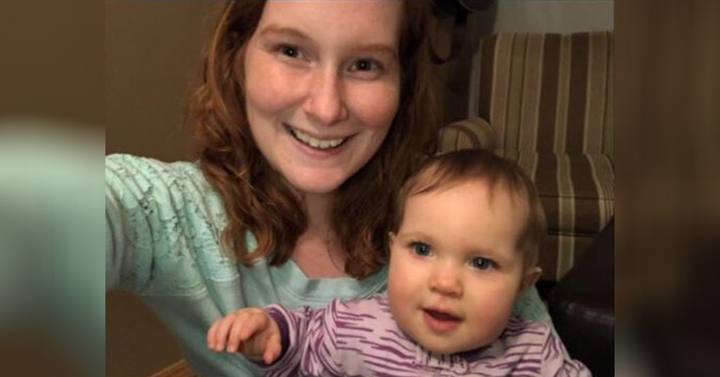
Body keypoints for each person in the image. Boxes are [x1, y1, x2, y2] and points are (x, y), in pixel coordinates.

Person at [106, 1, 556, 375]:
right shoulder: (167, 209)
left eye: (365, 64)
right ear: (236, 57)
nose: (325, 108)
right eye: (291, 50)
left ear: (404, 82)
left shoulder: (468, 218)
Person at [207, 149, 591, 376]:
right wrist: (273, 333)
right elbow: (303, 339)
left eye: (480, 263)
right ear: (393, 250)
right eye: (422, 249)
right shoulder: (356, 328)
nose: (445, 283)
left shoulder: (533, 355)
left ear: (524, 282)